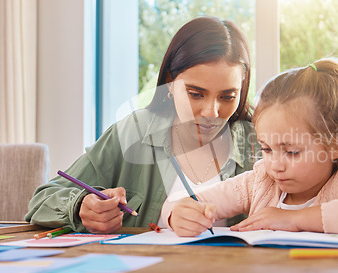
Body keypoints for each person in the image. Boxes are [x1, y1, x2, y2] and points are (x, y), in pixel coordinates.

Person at [25, 16, 260, 234]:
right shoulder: (134, 132)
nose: (212, 112)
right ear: (169, 83)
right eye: (196, 94)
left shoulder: (261, 145)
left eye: (227, 96)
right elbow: (42, 200)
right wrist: (80, 206)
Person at [162, 58, 338, 237]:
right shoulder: (260, 182)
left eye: (291, 152)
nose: (275, 164)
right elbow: (180, 202)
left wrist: (294, 220)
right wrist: (178, 214)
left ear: (337, 145)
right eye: (266, 149)